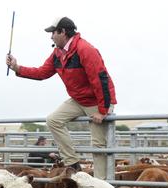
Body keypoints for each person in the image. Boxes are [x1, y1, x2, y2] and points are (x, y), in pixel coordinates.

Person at [6, 16, 117, 179]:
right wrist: (17, 67)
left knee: (99, 145)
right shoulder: (57, 53)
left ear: (63, 32)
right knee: (53, 120)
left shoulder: (85, 49)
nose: (51, 36)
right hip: (78, 99)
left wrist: (102, 110)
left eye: (53, 33)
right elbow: (42, 72)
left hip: (97, 100)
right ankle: (73, 163)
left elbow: (100, 79)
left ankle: (101, 185)